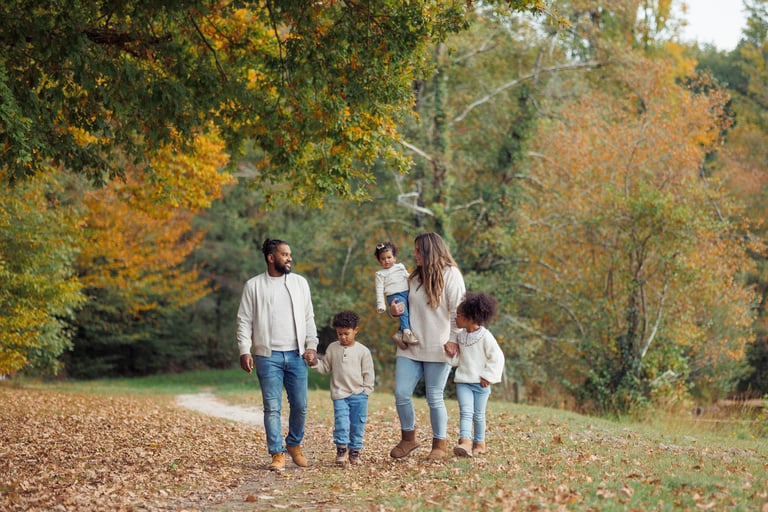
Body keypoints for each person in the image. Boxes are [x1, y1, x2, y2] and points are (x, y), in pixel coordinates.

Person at [236, 238, 319, 472]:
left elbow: (309, 317)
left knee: (300, 405)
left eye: (289, 254)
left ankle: (293, 443)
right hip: (267, 355)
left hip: (297, 354)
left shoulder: (300, 283)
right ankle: (277, 453)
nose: (290, 258)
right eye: (284, 254)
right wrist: (244, 350)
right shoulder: (254, 286)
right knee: (272, 407)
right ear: (271, 258)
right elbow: (244, 321)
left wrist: (311, 346)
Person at [389, 232, 466, 460]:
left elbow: (457, 311)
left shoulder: (451, 275)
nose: (414, 255)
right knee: (401, 393)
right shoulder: (414, 277)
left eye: (418, 250)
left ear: (430, 251)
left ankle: (439, 445)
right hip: (411, 346)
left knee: (434, 396)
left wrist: (453, 339)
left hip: (439, 346)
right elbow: (403, 305)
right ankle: (408, 439)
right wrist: (394, 311)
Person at [310, 310, 375, 466]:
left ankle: (355, 453)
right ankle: (341, 451)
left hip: (359, 395)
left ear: (356, 330)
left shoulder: (363, 351)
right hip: (340, 395)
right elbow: (326, 368)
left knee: (357, 424)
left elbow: (368, 373)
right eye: (340, 334)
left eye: (346, 334)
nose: (343, 337)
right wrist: (315, 363)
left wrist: (366, 391)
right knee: (341, 423)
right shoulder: (333, 348)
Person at [445, 292, 505, 458]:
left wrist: (488, 376)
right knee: (465, 412)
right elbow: (458, 360)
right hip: (463, 382)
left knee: (478, 415)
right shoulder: (460, 336)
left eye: (459, 315)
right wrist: (451, 354)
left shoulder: (485, 337)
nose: (455, 318)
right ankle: (465, 442)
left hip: (481, 384)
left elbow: (497, 357)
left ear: (470, 318)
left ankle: (479, 443)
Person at [374, 241, 418, 349]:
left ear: (394, 257)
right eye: (383, 259)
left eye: (389, 257)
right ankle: (407, 333)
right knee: (403, 311)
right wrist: (381, 304)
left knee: (407, 313)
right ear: (379, 261)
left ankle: (399, 334)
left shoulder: (400, 267)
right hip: (394, 296)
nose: (386, 260)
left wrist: (416, 278)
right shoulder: (380, 274)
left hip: (406, 293)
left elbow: (408, 277)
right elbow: (379, 290)